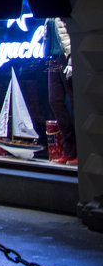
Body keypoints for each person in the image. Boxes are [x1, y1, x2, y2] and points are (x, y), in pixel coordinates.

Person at [47, 18, 76, 164]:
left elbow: (74, 32)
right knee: (54, 100)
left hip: (66, 57)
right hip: (54, 58)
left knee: (74, 102)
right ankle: (69, 150)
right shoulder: (48, 13)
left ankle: (79, 150)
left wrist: (72, 59)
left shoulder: (62, 10)